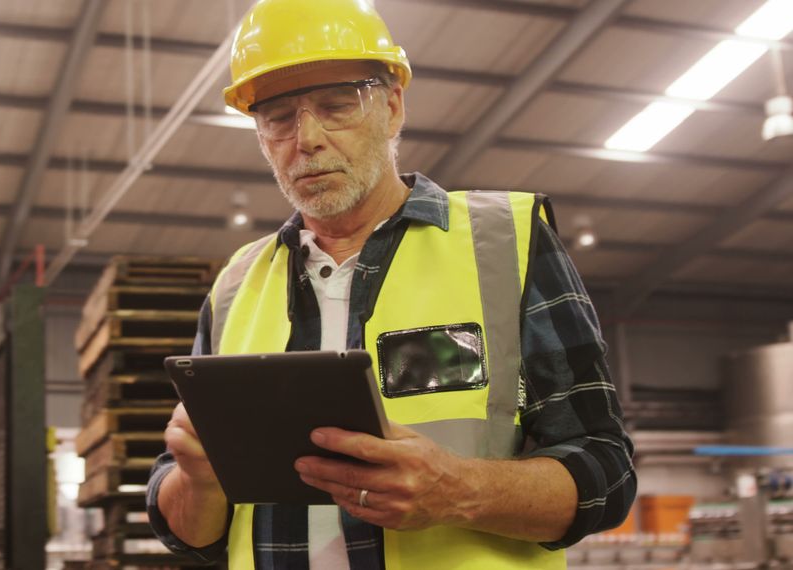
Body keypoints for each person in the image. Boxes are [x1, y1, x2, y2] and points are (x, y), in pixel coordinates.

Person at [146, 0, 636, 568]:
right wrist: (198, 483)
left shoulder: (505, 244)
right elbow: (192, 533)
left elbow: (607, 473)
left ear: (393, 106)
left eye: (336, 105)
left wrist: (459, 490)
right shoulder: (234, 287)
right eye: (279, 117)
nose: (306, 138)